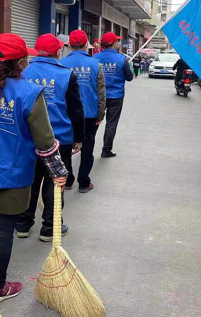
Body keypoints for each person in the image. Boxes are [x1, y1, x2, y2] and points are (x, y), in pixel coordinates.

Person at [0, 33, 68, 302]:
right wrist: (58, 172)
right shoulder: (29, 92)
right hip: (11, 176)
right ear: (21, 63)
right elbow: (45, 142)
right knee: (1, 232)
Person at [16, 33, 84, 241]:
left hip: (28, 139)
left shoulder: (23, 72)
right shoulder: (66, 75)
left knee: (29, 181)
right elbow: (75, 110)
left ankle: (23, 224)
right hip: (59, 139)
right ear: (57, 52)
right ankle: (50, 227)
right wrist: (78, 137)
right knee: (55, 182)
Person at [60, 30, 106, 192]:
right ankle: (84, 182)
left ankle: (68, 180)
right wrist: (101, 113)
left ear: (69, 45)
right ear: (87, 44)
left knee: (65, 147)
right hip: (89, 113)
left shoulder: (61, 63)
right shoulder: (96, 64)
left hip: (67, 113)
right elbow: (101, 91)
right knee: (87, 148)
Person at [94, 32, 134, 158]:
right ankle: (106, 150)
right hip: (116, 96)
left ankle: (86, 147)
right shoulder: (122, 59)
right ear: (114, 43)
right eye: (117, 41)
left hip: (98, 96)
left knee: (93, 122)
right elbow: (129, 77)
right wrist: (129, 67)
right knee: (111, 123)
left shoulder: (95, 58)